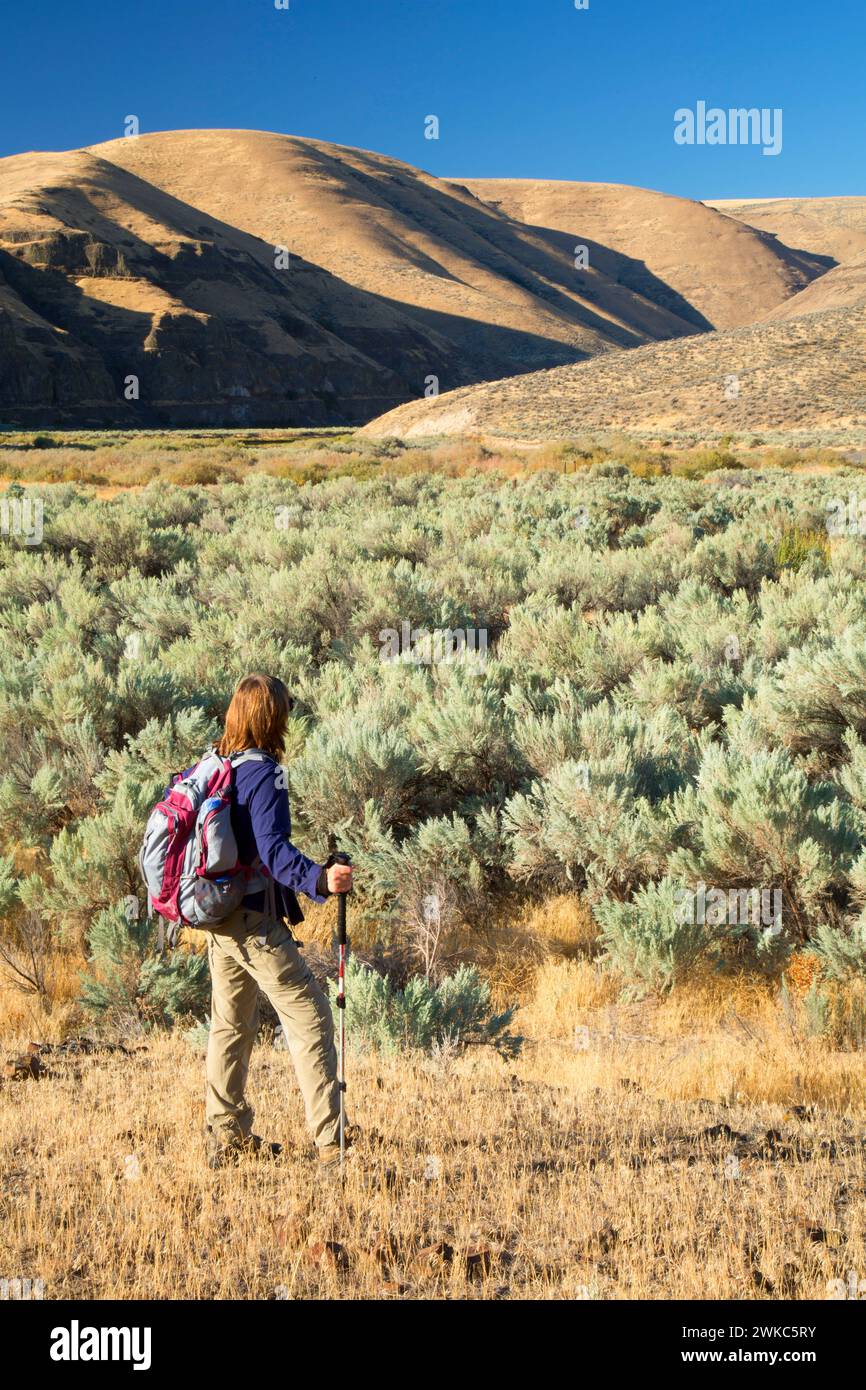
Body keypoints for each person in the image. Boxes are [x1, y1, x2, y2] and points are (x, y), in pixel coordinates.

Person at [203, 673, 353, 1170]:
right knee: (310, 1015)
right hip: (250, 922)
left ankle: (224, 1136)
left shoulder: (220, 765)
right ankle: (331, 1147)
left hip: (219, 918)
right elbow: (272, 852)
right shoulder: (264, 772)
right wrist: (319, 879)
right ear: (272, 717)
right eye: (285, 708)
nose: (290, 714)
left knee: (230, 1024)